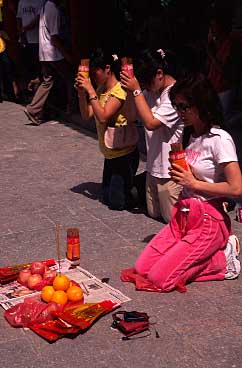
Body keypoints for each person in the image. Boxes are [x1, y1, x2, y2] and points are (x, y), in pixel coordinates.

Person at [122, 74, 242, 293]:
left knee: (160, 278)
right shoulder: (190, 135)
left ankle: (223, 259)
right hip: (185, 214)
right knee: (142, 268)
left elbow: (236, 188)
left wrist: (193, 183)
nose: (180, 113)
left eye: (184, 107)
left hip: (209, 218)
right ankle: (202, 254)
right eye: (176, 106)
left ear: (202, 104)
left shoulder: (219, 138)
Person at [120, 48, 184, 223]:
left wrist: (136, 91)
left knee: (172, 222)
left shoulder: (175, 95)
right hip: (153, 168)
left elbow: (151, 123)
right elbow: (130, 116)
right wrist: (127, 91)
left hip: (169, 172)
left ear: (160, 74)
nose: (145, 87)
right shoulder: (150, 92)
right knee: (154, 216)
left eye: (147, 82)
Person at [75, 48, 139, 211]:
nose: (93, 79)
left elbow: (103, 116)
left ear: (108, 69)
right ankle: (129, 183)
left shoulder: (120, 90)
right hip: (110, 153)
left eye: (95, 73)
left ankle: (141, 186)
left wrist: (89, 90)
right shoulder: (100, 90)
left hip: (124, 153)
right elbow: (86, 114)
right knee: (106, 195)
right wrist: (82, 94)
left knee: (117, 203)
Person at [24, 0, 75, 125]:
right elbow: (54, 37)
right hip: (53, 53)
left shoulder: (45, 7)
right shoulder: (52, 9)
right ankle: (71, 107)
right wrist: (66, 55)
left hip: (44, 52)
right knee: (70, 77)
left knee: (48, 80)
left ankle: (33, 108)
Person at [16, 0, 44, 91]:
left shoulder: (40, 1)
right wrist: (21, 33)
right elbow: (19, 18)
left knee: (38, 67)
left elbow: (38, 19)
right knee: (27, 66)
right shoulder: (22, 2)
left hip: (36, 39)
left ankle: (37, 91)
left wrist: (25, 29)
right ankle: (29, 90)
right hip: (25, 40)